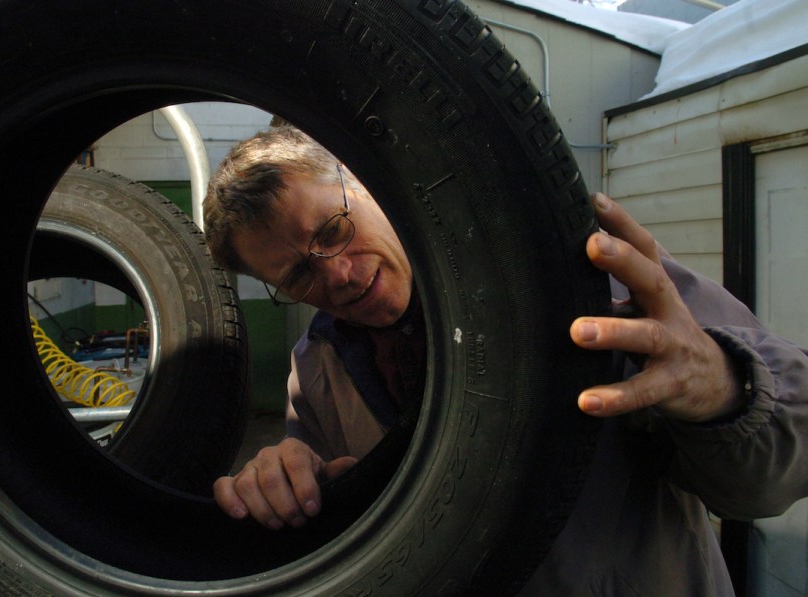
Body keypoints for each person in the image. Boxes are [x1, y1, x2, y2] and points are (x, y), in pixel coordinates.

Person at [203, 125, 808, 594]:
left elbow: (775, 478)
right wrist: (284, 479)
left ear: (362, 184)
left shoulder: (582, 278)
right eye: (299, 273)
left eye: (333, 229)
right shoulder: (317, 371)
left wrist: (729, 391)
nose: (336, 273)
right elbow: (333, 522)